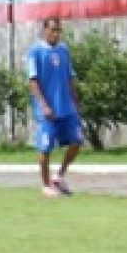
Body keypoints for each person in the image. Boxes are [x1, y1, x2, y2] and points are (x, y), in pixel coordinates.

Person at [27, 16, 81, 197]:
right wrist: (44, 105)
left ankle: (59, 176)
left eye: (58, 30)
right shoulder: (35, 51)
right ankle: (45, 185)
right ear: (45, 30)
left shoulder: (64, 50)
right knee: (45, 148)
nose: (56, 34)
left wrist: (76, 101)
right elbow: (33, 81)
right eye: (53, 30)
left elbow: (70, 77)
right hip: (48, 111)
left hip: (67, 108)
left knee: (77, 141)